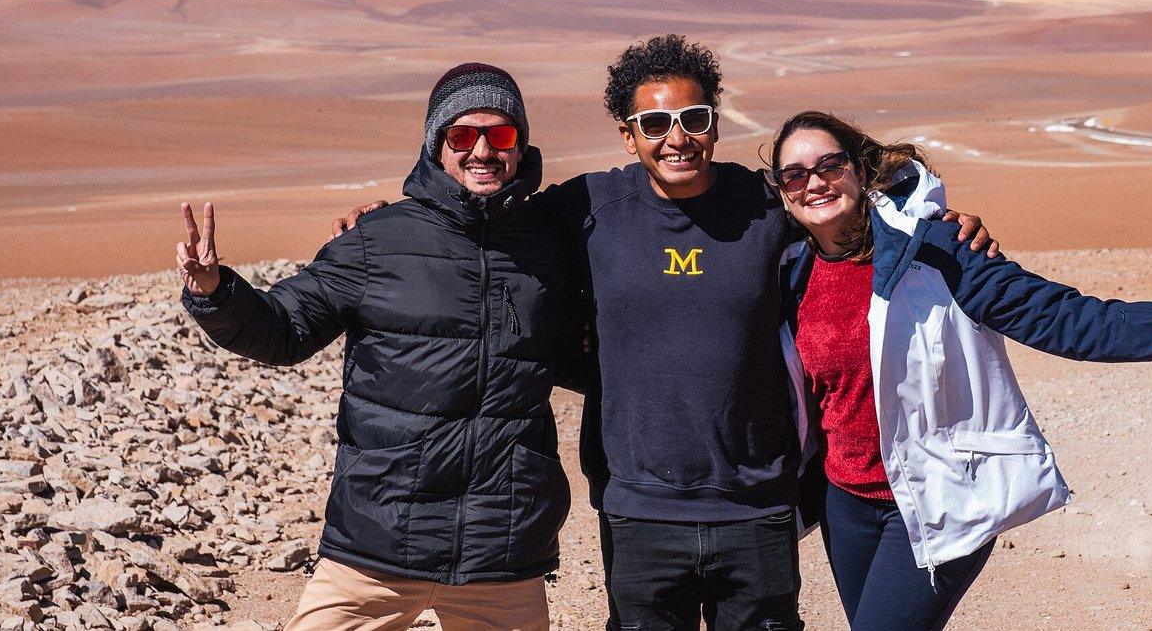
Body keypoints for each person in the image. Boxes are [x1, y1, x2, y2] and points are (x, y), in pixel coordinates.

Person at [337, 36, 997, 629]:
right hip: (639, 510)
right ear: (629, 135)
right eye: (654, 123)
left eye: (693, 119)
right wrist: (394, 222)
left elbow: (852, 205)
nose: (676, 137)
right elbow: (482, 217)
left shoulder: (766, 204)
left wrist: (943, 223)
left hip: (757, 505)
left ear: (713, 123)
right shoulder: (588, 206)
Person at [767, 110, 1152, 631]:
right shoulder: (790, 271)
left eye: (829, 165)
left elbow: (1063, 318)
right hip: (847, 505)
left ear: (859, 169)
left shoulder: (939, 252)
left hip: (940, 497)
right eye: (795, 174)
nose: (814, 183)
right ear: (783, 191)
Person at [176, 63, 585, 631]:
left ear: (522, 144)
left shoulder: (552, 247)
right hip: (379, 543)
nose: (483, 150)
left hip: (502, 551)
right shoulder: (376, 241)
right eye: (463, 135)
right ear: (436, 144)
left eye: (503, 134)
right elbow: (284, 329)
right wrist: (217, 293)